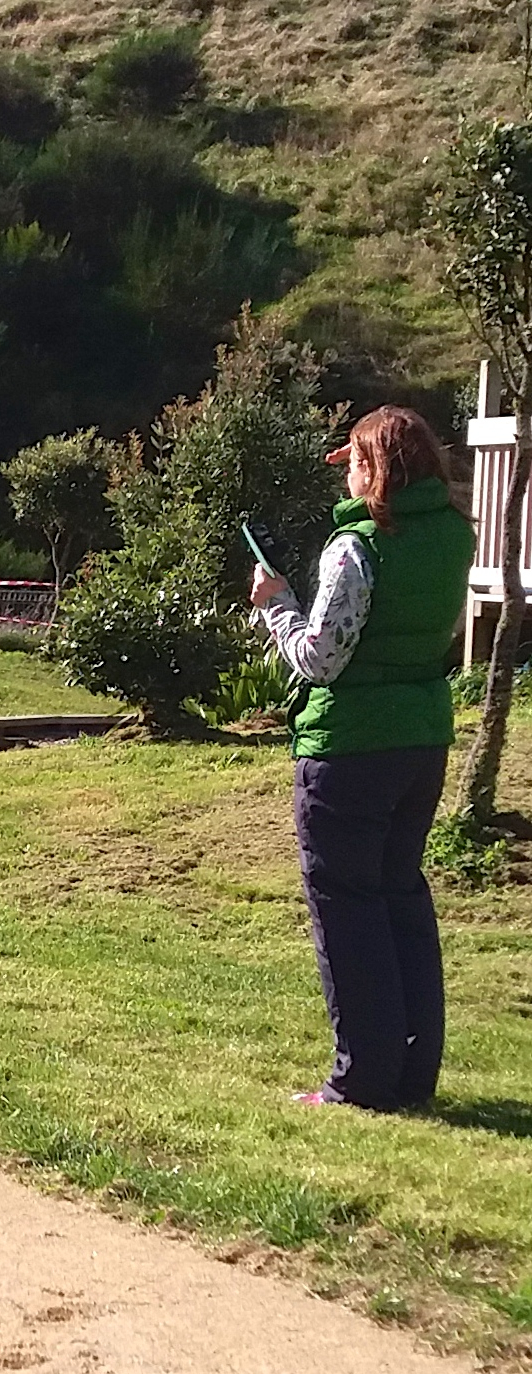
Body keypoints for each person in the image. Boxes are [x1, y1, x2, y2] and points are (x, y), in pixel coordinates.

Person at [250, 405, 475, 1111]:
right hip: (421, 738)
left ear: (375, 470)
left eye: (352, 462)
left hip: (349, 746)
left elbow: (321, 658)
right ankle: (412, 1071)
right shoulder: (453, 535)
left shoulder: (357, 546)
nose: (345, 476)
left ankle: (361, 1078)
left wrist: (276, 605)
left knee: (346, 910)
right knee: (400, 898)